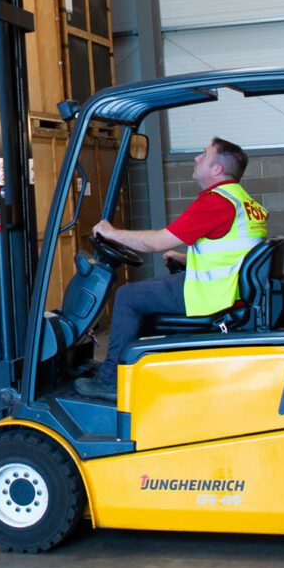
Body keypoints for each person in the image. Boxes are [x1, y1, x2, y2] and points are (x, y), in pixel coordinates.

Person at [73, 137, 265, 400]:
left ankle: (111, 382)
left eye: (203, 155)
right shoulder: (241, 199)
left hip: (215, 294)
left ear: (217, 169)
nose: (197, 158)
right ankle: (130, 368)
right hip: (229, 287)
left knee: (129, 297)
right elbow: (234, 250)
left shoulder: (216, 202)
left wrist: (112, 233)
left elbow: (156, 242)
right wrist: (187, 258)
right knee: (144, 291)